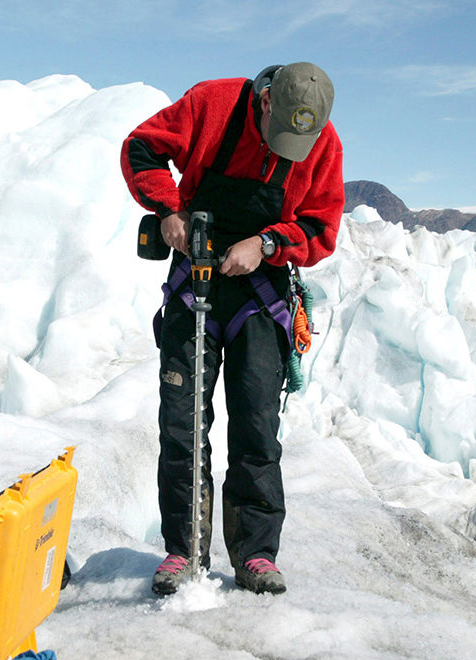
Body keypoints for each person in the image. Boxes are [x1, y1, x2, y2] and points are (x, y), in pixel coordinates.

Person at [121, 62, 344, 596]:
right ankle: (183, 550)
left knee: (256, 430)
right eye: (282, 135)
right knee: (182, 425)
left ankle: (255, 556)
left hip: (258, 297)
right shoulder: (211, 106)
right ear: (266, 103)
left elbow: (320, 226)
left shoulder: (323, 142)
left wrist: (266, 244)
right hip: (193, 275)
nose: (291, 148)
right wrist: (170, 210)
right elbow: (141, 149)